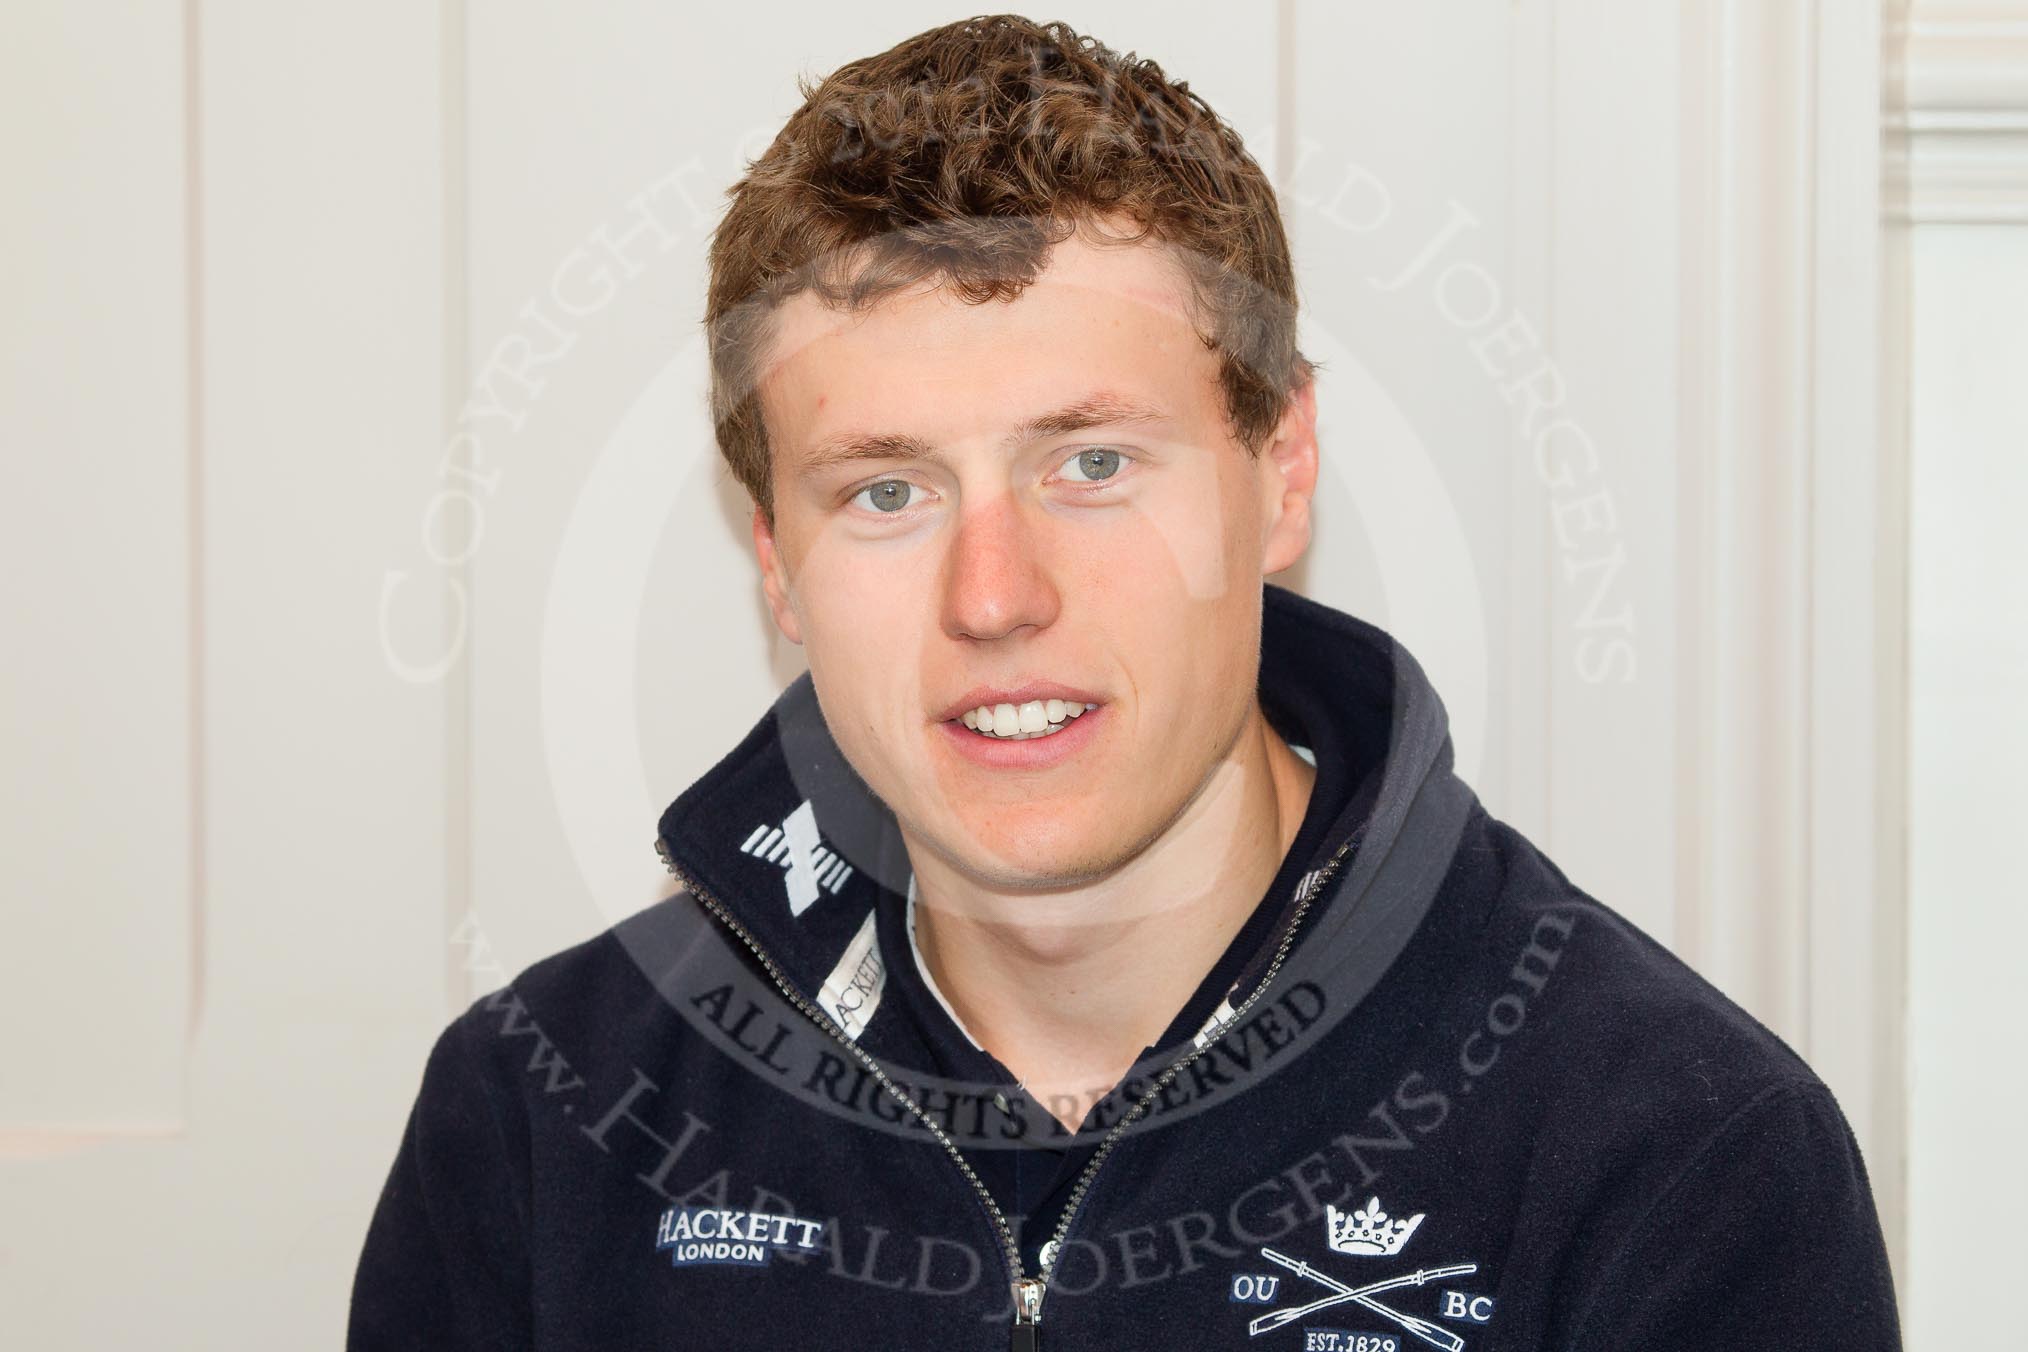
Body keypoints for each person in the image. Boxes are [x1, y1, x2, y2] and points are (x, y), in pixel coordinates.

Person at [348, 15, 1901, 1350]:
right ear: (775, 556)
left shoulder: (1680, 1157)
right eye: (884, 491)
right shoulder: (538, 1128)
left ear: (1279, 471)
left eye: (1092, 464)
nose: (996, 596)